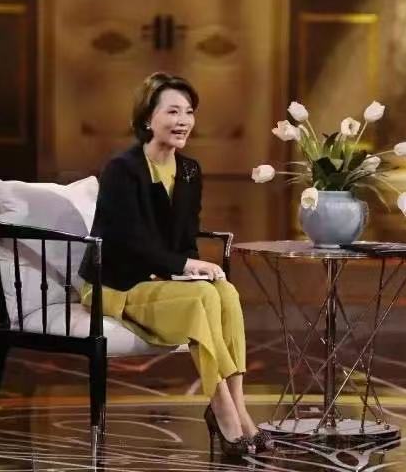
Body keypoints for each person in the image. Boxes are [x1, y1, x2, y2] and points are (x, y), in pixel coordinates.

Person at [78, 72, 272, 458]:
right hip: (116, 284)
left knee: (225, 292)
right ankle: (223, 409)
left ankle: (238, 408)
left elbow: (184, 237)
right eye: (173, 111)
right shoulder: (122, 170)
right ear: (148, 119)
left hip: (159, 281)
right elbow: (129, 243)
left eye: (189, 112)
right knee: (203, 297)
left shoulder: (189, 171)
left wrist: (189, 268)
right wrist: (185, 265)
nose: (183, 120)